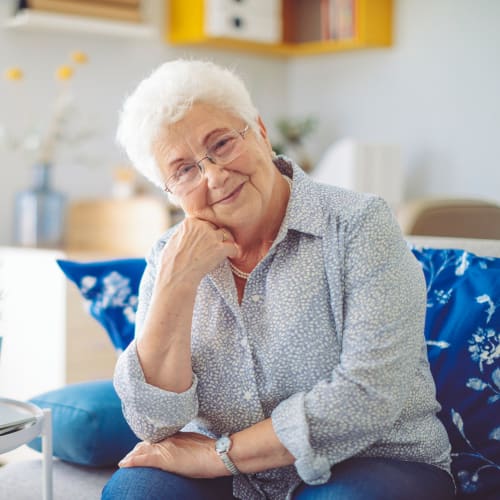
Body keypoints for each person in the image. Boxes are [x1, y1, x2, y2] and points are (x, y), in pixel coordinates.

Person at [102, 59, 455, 500]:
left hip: (372, 459)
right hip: (233, 477)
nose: (213, 175)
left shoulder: (359, 224)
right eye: (184, 170)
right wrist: (177, 283)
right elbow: (154, 423)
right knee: (134, 493)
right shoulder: (168, 255)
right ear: (169, 192)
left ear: (260, 131)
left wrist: (217, 457)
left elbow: (369, 395)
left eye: (223, 143)